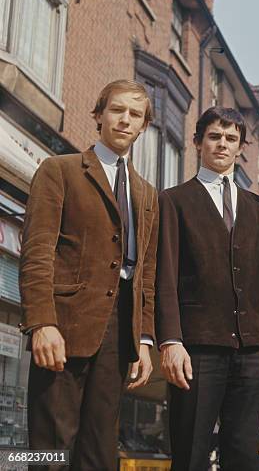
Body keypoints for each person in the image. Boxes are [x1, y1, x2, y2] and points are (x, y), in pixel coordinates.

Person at [19, 79, 158, 470]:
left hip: (118, 338)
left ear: (143, 127)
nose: (125, 120)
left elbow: (144, 271)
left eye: (135, 115)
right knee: (50, 451)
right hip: (63, 327)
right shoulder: (59, 170)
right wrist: (41, 322)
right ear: (99, 116)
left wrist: (144, 339)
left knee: (99, 454)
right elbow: (37, 252)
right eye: (117, 110)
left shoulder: (148, 195)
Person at [155, 106, 259, 471]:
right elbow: (163, 274)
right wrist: (170, 340)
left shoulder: (258, 207)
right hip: (197, 349)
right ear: (198, 142)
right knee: (191, 450)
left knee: (244, 453)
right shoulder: (174, 200)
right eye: (214, 136)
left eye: (231, 139)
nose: (222, 145)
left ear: (241, 147)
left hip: (252, 351)